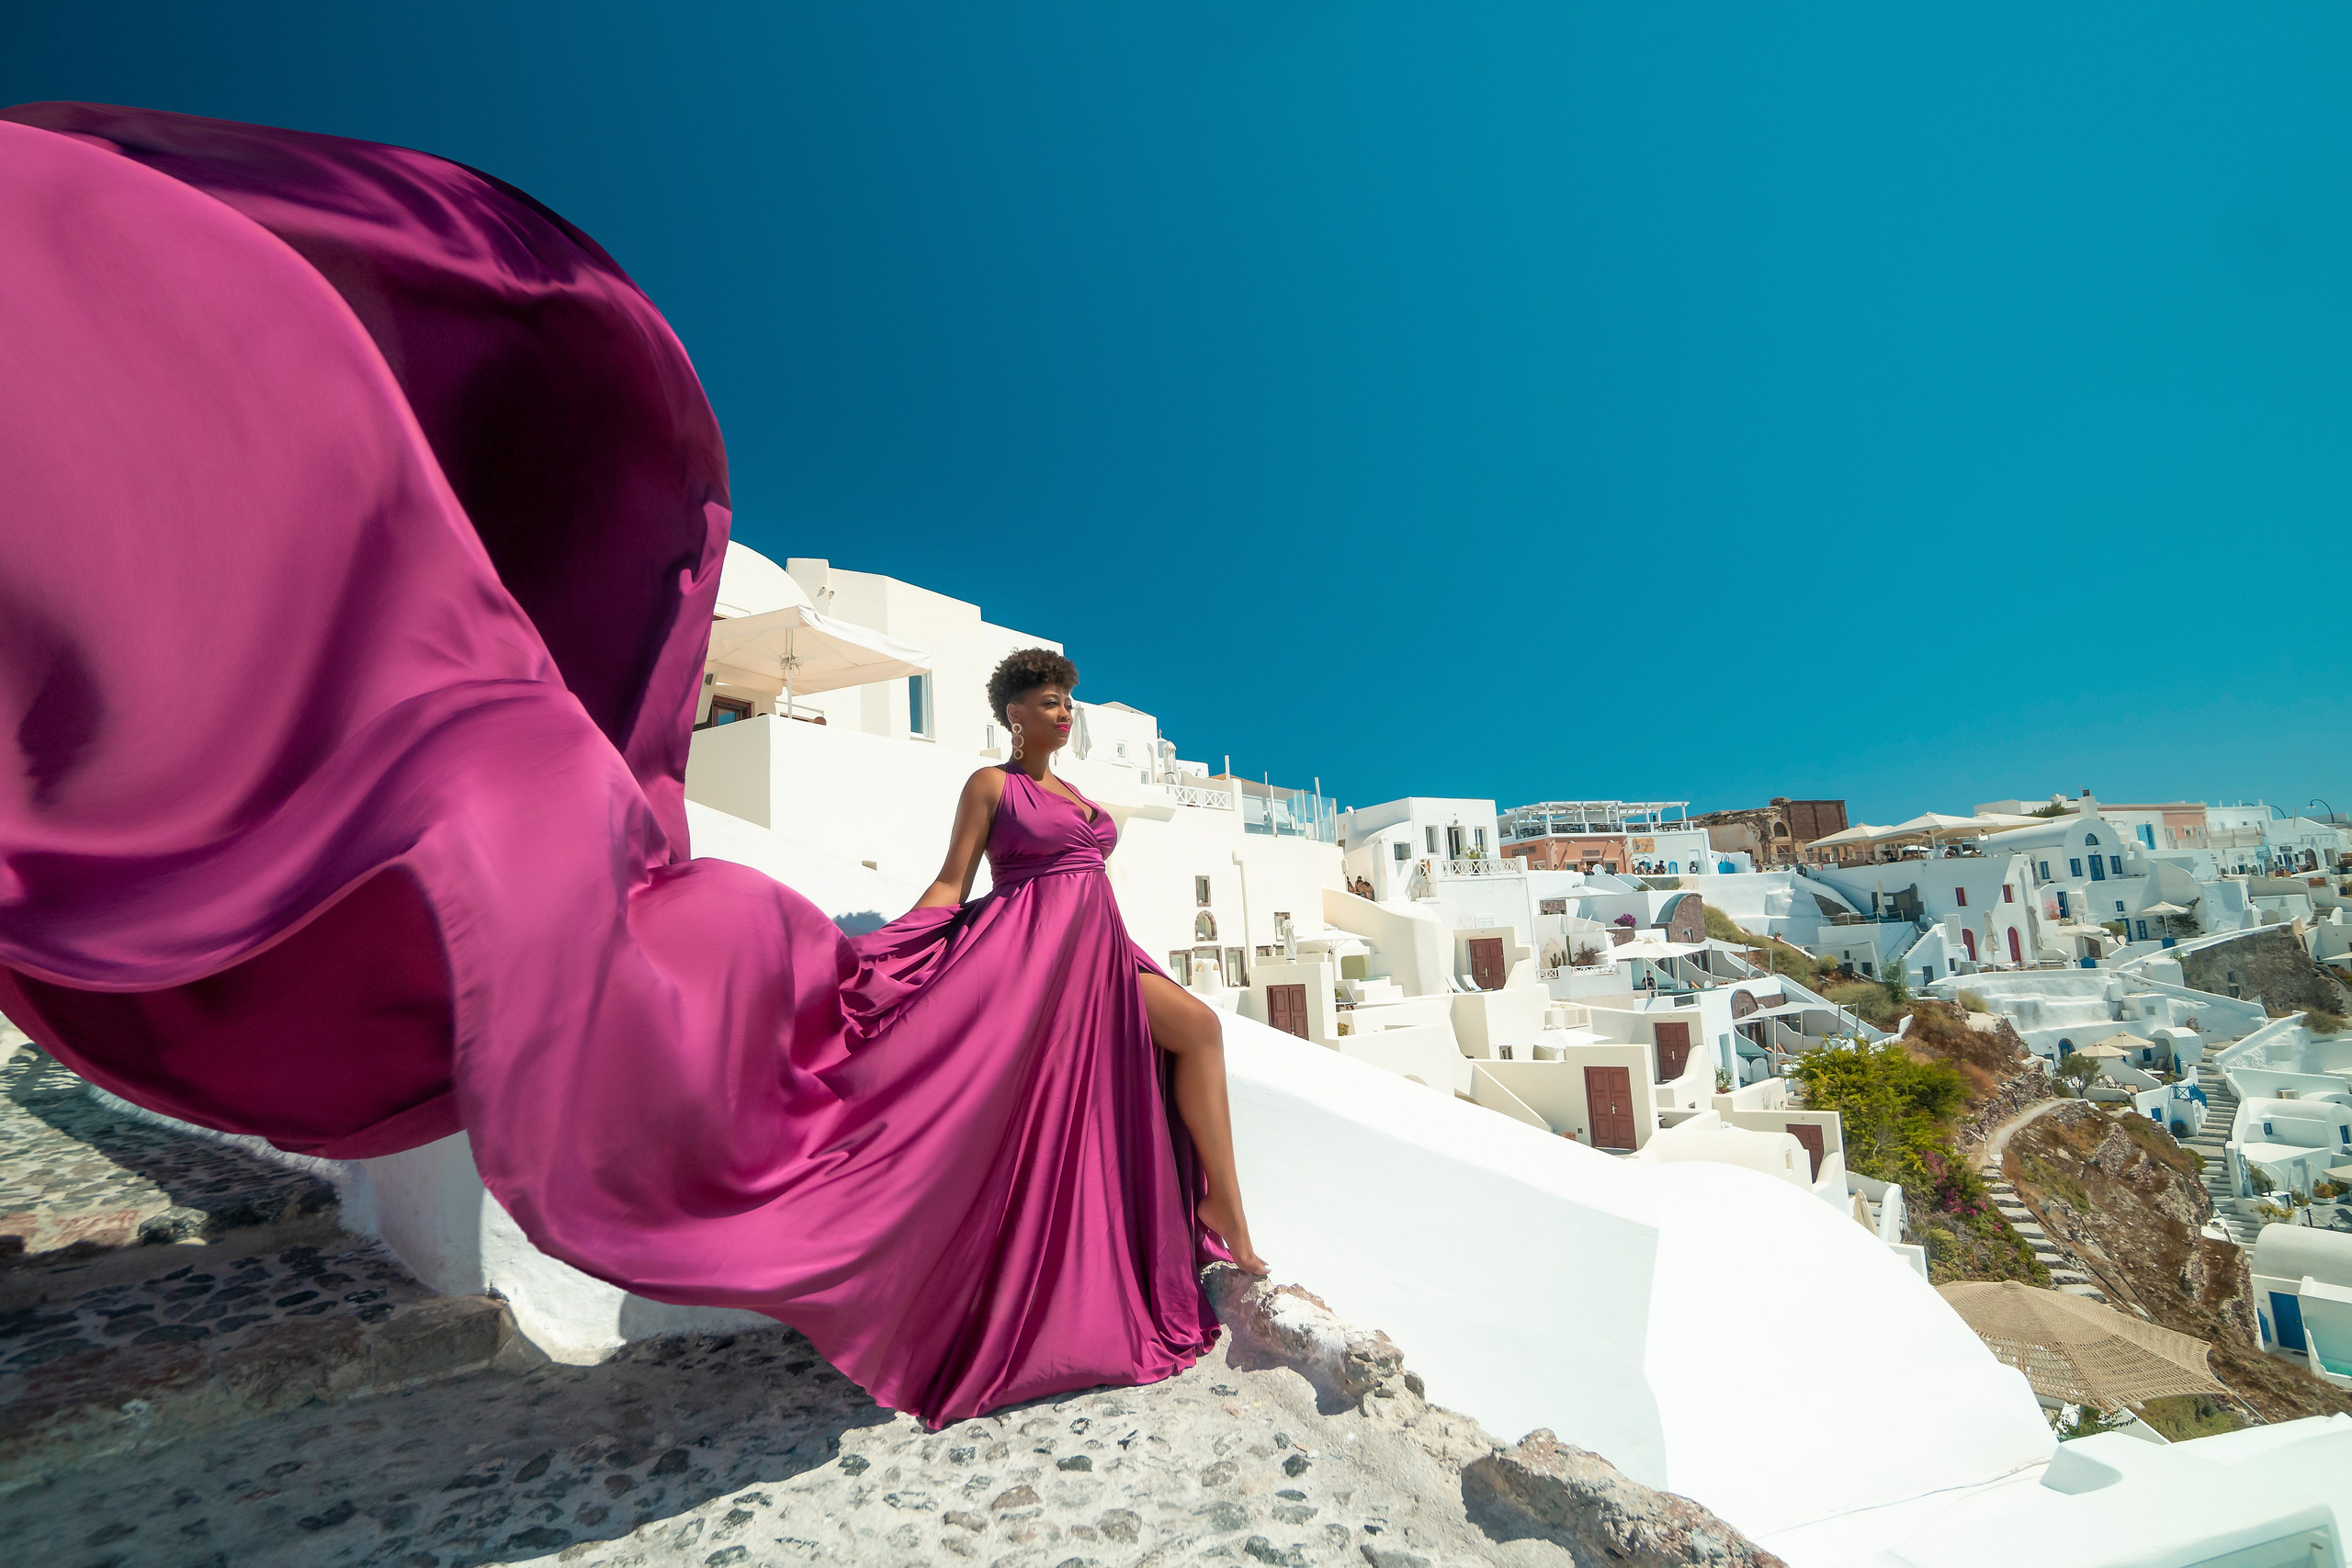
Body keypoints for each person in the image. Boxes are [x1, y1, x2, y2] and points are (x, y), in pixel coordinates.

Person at [885, 647, 1266, 1280]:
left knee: (1201, 1028)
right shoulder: (992, 785)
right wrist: (901, 947)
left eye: (1067, 700)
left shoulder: (1071, 790)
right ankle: (1204, 1216)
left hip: (1104, 949)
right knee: (1193, 1033)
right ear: (1015, 713)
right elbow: (952, 881)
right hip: (1040, 955)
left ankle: (1223, 1202)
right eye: (1049, 701)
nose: (1064, 711)